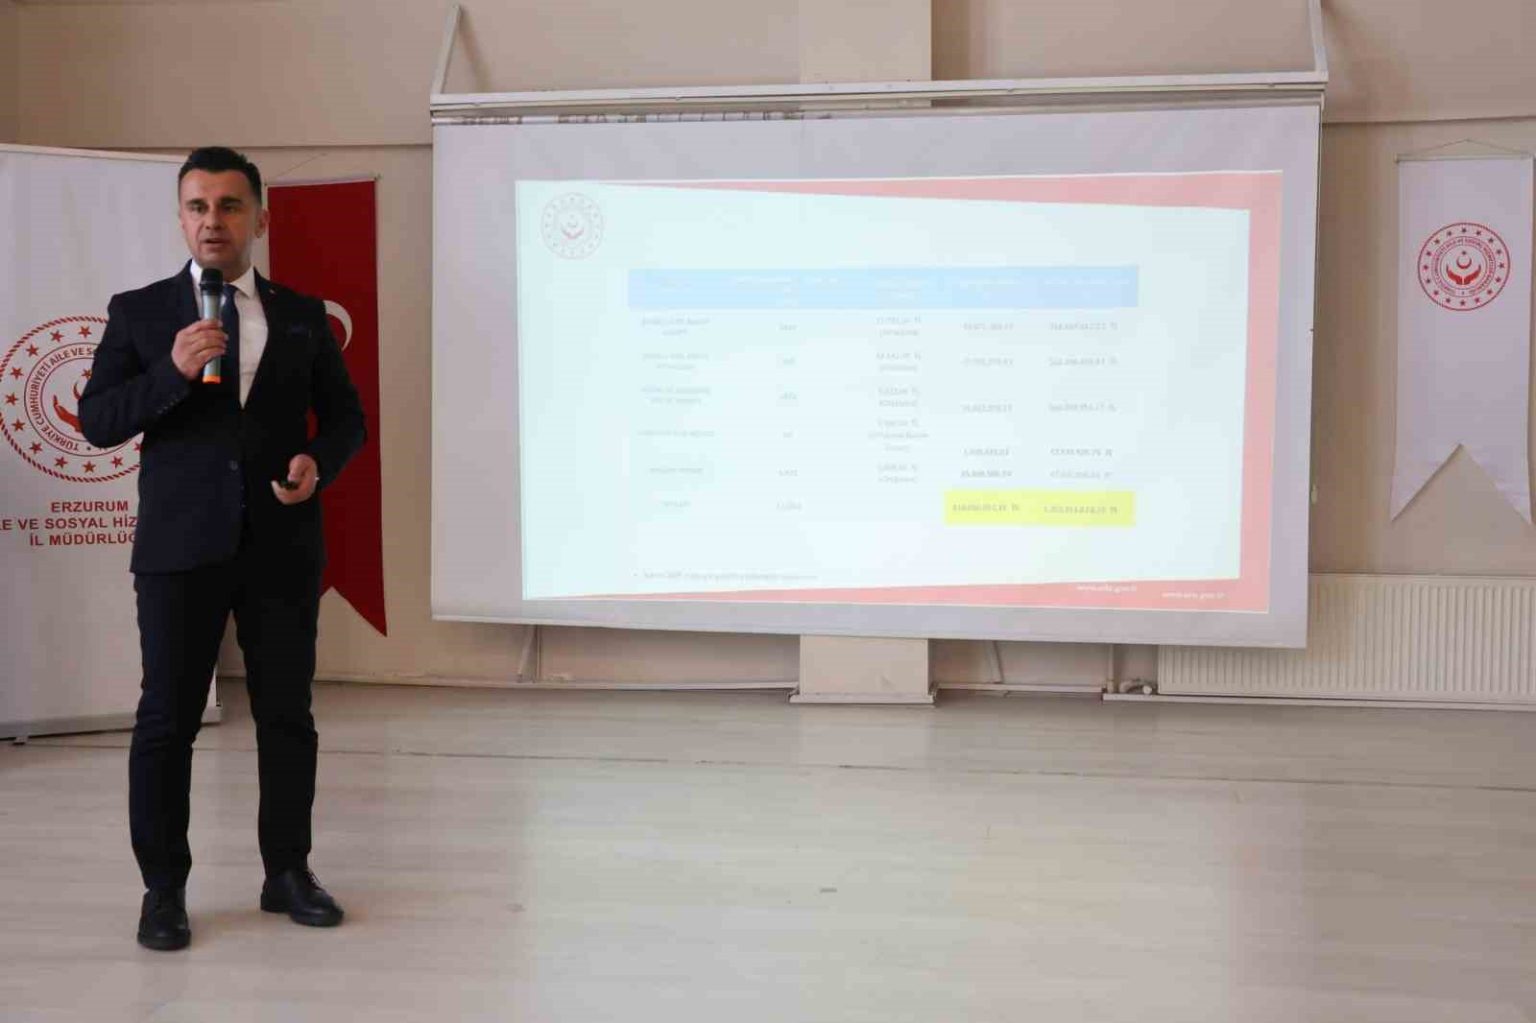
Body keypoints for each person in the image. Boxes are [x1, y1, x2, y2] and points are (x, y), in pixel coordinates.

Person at [79, 146, 366, 951]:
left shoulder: (302, 315)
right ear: (181, 218)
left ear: (259, 219)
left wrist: (319, 462)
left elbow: (347, 420)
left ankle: (288, 871)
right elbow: (98, 421)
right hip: (179, 549)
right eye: (198, 206)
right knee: (166, 720)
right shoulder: (140, 312)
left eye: (230, 205)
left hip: (281, 546)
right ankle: (163, 889)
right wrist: (171, 372)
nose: (214, 221)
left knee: (287, 715)